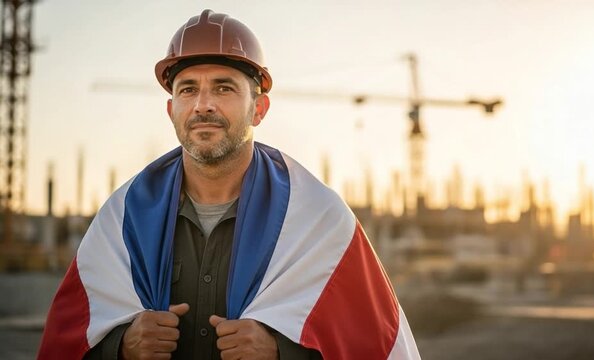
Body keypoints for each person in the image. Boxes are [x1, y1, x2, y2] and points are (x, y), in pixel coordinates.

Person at [37, 9, 420, 360]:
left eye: (223, 88)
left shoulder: (316, 216)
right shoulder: (123, 217)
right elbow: (65, 341)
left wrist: (281, 351)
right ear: (172, 110)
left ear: (259, 108)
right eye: (187, 89)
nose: (203, 105)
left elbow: (371, 343)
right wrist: (121, 346)